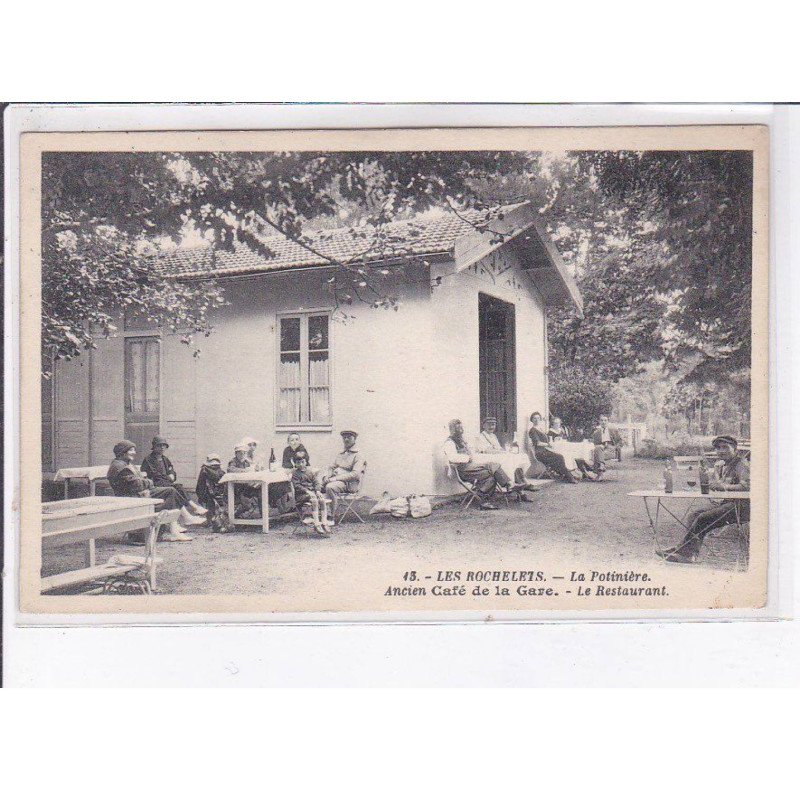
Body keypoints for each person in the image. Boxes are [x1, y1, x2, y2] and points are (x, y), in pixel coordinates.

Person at [657, 435, 750, 564]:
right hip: (727, 503)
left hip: (741, 506)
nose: (721, 451)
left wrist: (723, 487)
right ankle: (685, 551)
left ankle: (685, 552)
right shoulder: (722, 465)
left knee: (703, 518)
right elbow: (718, 485)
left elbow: (746, 486)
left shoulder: (741, 464)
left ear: (735, 449)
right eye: (718, 448)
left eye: (725, 447)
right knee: (694, 514)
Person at [107, 440, 193, 542]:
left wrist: (145, 481)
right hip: (132, 498)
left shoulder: (125, 464)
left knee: (171, 491)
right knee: (170, 492)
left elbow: (139, 481)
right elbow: (137, 485)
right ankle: (173, 528)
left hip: (138, 495)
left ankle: (173, 527)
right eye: (131, 450)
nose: (134, 452)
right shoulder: (119, 466)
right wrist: (148, 482)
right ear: (122, 451)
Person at [445, 419, 531, 509]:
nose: (461, 430)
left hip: (471, 468)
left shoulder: (461, 440)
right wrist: (468, 458)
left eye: (461, 427)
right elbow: (452, 457)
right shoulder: (450, 442)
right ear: (452, 429)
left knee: (492, 475)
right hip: (463, 470)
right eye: (458, 428)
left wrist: (470, 454)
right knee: (492, 465)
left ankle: (484, 501)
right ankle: (509, 484)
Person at [141, 436, 207, 525]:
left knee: (178, 486)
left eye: (164, 446)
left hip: (166, 482)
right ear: (154, 447)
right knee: (174, 490)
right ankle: (190, 513)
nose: (162, 448)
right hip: (155, 484)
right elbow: (155, 475)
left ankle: (194, 508)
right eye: (159, 446)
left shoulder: (164, 459)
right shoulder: (149, 459)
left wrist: (172, 474)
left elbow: (171, 470)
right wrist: (169, 477)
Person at [321, 430, 365, 517]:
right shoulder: (341, 453)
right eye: (344, 437)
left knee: (330, 487)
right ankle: (321, 513)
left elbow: (355, 474)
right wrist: (327, 476)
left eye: (349, 437)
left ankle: (331, 515)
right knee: (318, 485)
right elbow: (331, 467)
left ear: (355, 439)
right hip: (337, 481)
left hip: (350, 484)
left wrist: (335, 478)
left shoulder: (358, 455)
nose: (346, 439)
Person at [291, 450, 333, 536]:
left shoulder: (310, 472)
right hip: (301, 495)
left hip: (311, 494)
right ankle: (317, 523)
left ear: (306, 462)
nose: (301, 464)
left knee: (321, 500)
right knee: (314, 500)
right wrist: (308, 491)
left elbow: (316, 482)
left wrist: (317, 491)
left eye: (302, 462)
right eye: (298, 462)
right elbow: (297, 486)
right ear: (295, 463)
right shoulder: (295, 474)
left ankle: (324, 523)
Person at [528, 412, 578, 483]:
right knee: (559, 457)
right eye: (534, 418)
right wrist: (548, 444)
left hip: (546, 451)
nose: (536, 420)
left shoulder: (540, 429)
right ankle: (569, 476)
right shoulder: (532, 430)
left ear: (540, 419)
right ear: (532, 420)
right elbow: (538, 443)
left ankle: (566, 474)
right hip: (540, 453)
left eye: (538, 418)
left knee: (561, 455)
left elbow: (547, 440)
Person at [195, 453, 226, 523]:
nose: (215, 466)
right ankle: (213, 519)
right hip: (208, 493)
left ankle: (216, 518)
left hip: (213, 492)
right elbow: (202, 485)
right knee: (211, 499)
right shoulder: (205, 470)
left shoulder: (219, 471)